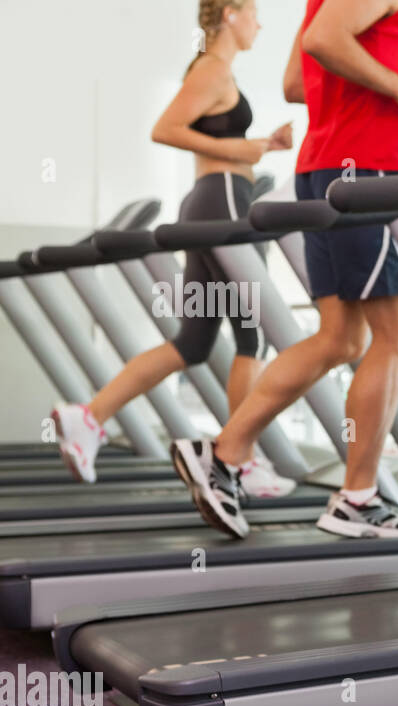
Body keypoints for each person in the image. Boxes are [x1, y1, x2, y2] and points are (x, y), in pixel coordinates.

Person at [174, 0, 398, 539]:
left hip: (323, 166)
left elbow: (298, 83)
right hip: (368, 167)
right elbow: (322, 44)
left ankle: (225, 451)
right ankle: (358, 498)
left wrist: (386, 79)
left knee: (341, 337)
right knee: (396, 335)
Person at [54, 0, 295, 498]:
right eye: (253, 12)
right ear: (229, 13)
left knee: (193, 343)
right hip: (224, 202)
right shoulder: (213, 68)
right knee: (254, 336)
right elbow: (165, 129)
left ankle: (89, 417)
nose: (260, 23)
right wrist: (243, 151)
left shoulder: (211, 70)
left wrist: (262, 146)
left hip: (205, 203)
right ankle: (241, 460)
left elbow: (207, 136)